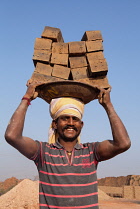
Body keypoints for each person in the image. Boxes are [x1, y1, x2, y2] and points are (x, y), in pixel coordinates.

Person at [5, 81, 131, 209]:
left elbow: (123, 143)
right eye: (65, 118)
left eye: (75, 119)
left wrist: (108, 105)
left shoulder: (91, 152)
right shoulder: (43, 152)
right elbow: (12, 136)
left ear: (81, 125)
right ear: (55, 124)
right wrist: (26, 98)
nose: (70, 123)